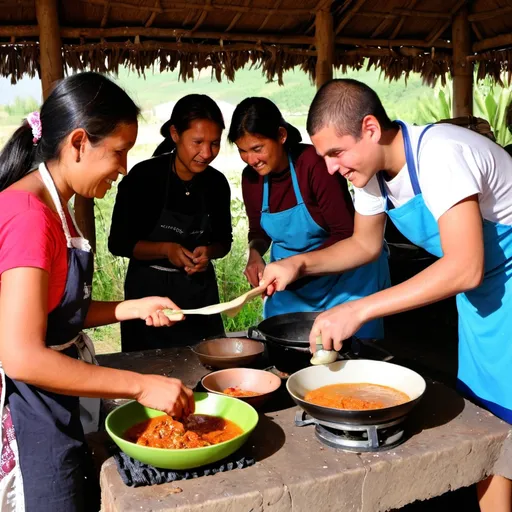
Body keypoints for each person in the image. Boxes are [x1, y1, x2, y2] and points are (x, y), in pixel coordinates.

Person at [261, 78, 512, 512]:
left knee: (502, 418)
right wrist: (299, 264)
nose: (330, 168)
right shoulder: (373, 174)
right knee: (488, 423)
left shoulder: (440, 155)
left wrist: (357, 309)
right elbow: (364, 244)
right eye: (323, 157)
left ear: (371, 129)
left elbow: (464, 266)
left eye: (336, 153)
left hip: (500, 282)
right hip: (481, 295)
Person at [0, 72, 195, 512]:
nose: (124, 168)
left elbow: (54, 312)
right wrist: (140, 387)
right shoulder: (29, 214)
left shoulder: (55, 207)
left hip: (53, 399)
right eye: (119, 152)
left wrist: (131, 308)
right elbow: (22, 355)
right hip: (27, 408)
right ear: (79, 142)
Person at [228, 97, 390, 339]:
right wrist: (254, 255)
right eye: (243, 151)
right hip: (291, 284)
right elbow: (259, 232)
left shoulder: (314, 164)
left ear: (281, 136)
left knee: (352, 354)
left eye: (257, 148)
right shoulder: (251, 179)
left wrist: (297, 266)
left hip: (345, 279)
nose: (251, 159)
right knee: (287, 348)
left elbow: (345, 233)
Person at [109, 94, 232, 351]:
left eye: (215, 143)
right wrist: (166, 250)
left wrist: (208, 252)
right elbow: (119, 243)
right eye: (197, 142)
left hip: (200, 294)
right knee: (148, 368)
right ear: (175, 134)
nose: (207, 153)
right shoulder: (143, 178)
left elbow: (224, 241)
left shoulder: (217, 184)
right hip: (148, 295)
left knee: (207, 365)